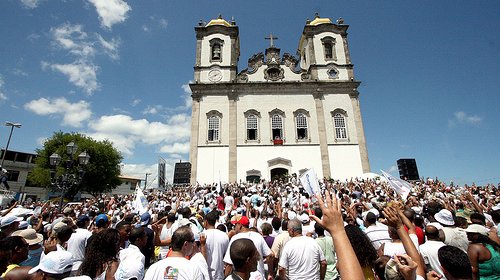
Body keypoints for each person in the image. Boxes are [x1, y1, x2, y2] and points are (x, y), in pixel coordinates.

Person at [223, 215, 273, 279]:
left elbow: (229, 264)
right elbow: (270, 256)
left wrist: (227, 277)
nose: (234, 228)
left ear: (240, 225)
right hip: (259, 277)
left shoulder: (235, 238)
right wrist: (270, 274)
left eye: (235, 225)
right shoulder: (258, 236)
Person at [203, 210, 229, 280]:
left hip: (205, 275)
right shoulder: (224, 235)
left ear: (206, 222)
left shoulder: (202, 235)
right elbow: (226, 257)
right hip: (219, 274)